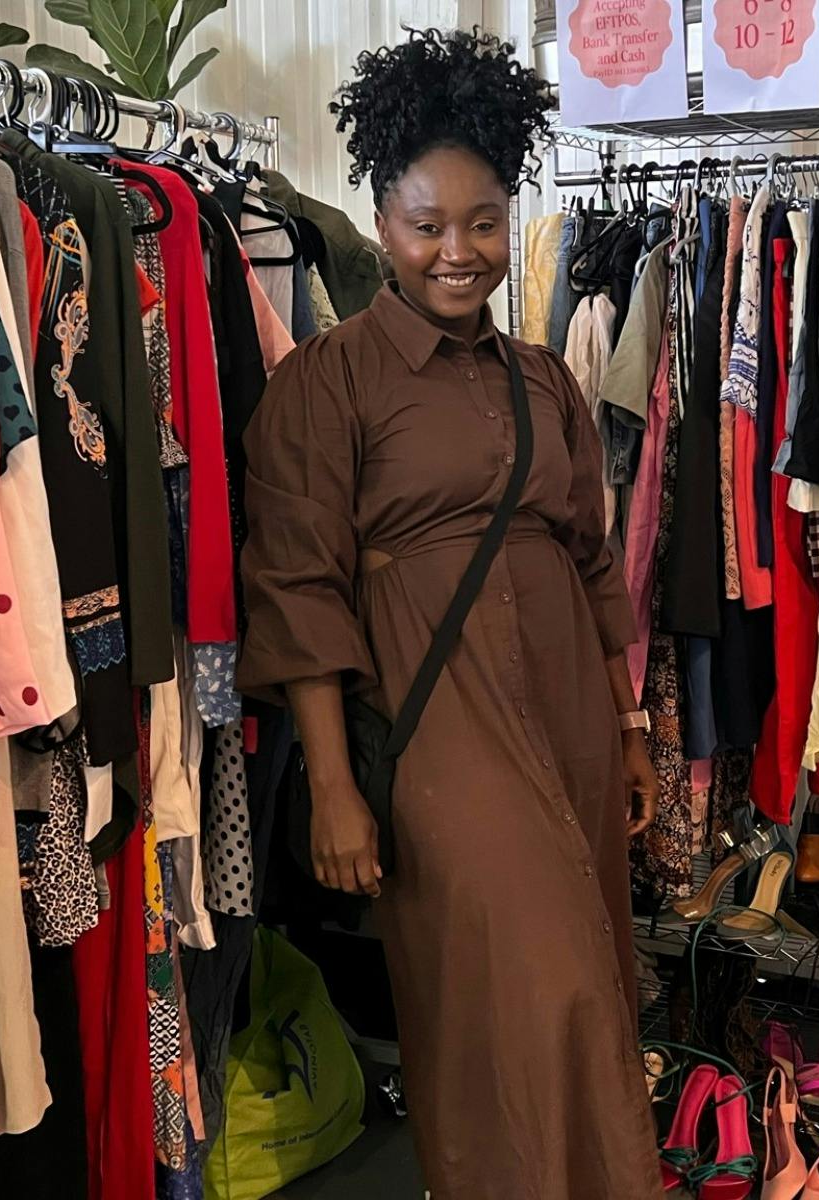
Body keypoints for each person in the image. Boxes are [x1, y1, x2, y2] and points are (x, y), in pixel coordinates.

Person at [236, 26, 666, 1200]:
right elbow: (298, 588)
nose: (458, 252)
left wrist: (629, 725)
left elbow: (591, 560)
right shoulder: (326, 381)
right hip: (437, 727)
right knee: (516, 987)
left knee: (593, 974)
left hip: (569, 713)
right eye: (427, 226)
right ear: (380, 221)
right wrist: (334, 788)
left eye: (482, 223)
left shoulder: (542, 379)